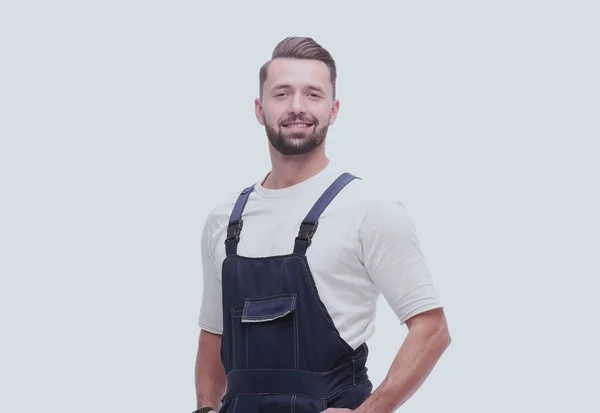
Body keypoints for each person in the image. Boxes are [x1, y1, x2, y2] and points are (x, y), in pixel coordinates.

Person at [193, 36, 451, 413]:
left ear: (334, 109)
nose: (297, 106)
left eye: (313, 94)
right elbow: (213, 336)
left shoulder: (368, 209)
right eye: (282, 93)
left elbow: (432, 329)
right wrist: (204, 408)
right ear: (259, 109)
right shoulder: (224, 221)